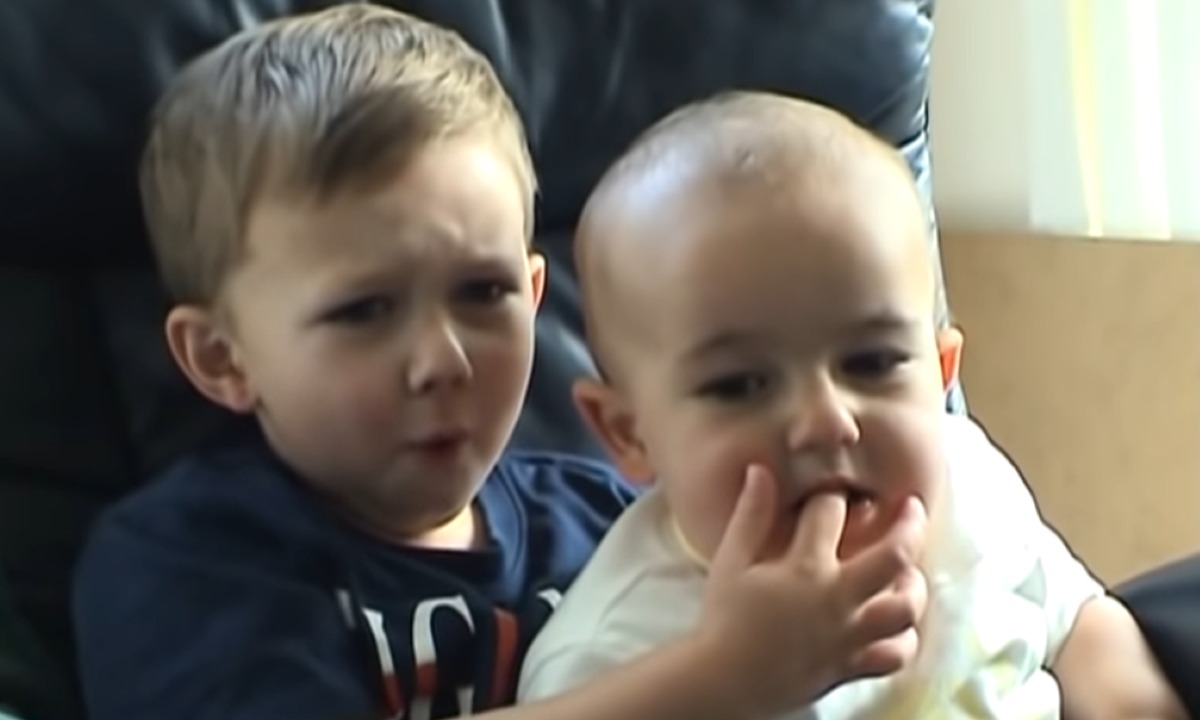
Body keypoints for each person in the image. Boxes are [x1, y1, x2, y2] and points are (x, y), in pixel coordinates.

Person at [69, 7, 926, 720]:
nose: (442, 361)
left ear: (536, 292)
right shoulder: (184, 560)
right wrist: (724, 675)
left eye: (483, 293)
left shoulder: (613, 519)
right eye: (364, 311)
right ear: (222, 358)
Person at [518, 91, 1188, 719]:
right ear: (629, 433)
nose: (825, 421)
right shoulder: (611, 658)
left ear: (940, 376)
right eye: (741, 385)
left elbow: (1079, 624)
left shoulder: (969, 480)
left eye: (871, 363)